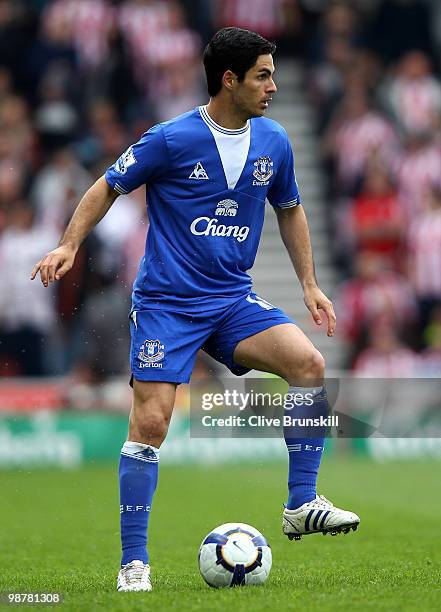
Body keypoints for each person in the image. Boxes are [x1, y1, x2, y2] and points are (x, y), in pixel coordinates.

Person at [31, 27, 360, 593]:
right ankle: (134, 562)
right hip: (167, 305)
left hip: (231, 298)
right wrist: (68, 244)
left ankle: (301, 504)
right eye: (263, 75)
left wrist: (308, 282)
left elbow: (291, 208)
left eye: (274, 74)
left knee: (307, 364)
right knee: (152, 422)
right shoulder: (170, 139)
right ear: (228, 79)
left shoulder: (274, 141)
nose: (273, 86)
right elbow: (107, 186)